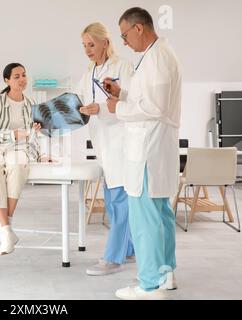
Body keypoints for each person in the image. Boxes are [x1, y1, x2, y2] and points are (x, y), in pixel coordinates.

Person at [105, 7, 181, 299]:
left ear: (139, 28)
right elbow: (146, 97)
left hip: (148, 151)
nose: (123, 42)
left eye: (124, 35)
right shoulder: (154, 55)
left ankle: (148, 285)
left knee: (146, 220)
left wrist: (118, 108)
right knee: (160, 215)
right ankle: (165, 274)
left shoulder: (159, 57)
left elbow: (155, 107)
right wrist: (122, 93)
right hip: (153, 149)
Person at [76, 22, 135, 276]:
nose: (88, 50)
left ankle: (113, 258)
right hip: (103, 144)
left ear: (105, 43)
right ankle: (129, 250)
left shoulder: (123, 66)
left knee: (120, 201)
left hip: (121, 142)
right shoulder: (89, 72)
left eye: (91, 44)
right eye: (84, 45)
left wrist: (100, 108)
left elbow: (130, 100)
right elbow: (76, 99)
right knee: (113, 202)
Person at [0, 63, 41, 255]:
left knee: (17, 165)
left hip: (22, 148)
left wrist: (32, 133)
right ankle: (7, 229)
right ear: (7, 80)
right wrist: (14, 135)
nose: (22, 79)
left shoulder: (31, 105)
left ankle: (4, 229)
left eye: (24, 75)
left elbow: (32, 135)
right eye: (16, 76)